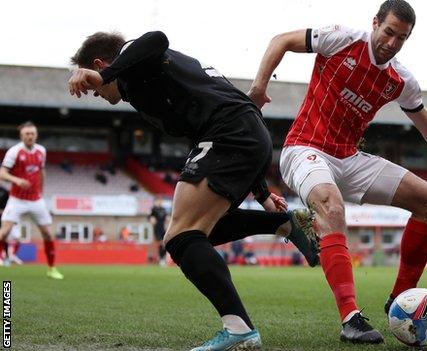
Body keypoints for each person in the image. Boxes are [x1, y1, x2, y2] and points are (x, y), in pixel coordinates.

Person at [249, 0, 427, 343]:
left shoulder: (401, 80)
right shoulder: (341, 39)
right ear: (375, 23)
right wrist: (259, 88)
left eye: (402, 38)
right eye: (389, 32)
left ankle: (401, 300)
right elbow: (281, 40)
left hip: (349, 159)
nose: (392, 43)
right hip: (304, 148)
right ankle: (351, 318)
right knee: (333, 208)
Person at [68, 30, 320, 351]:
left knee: (180, 237)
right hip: (243, 134)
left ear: (100, 64)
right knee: (197, 233)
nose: (95, 92)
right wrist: (262, 194)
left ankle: (239, 328)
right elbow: (216, 113)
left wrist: (103, 75)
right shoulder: (152, 83)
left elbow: (157, 38)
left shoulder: (136, 59)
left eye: (92, 86)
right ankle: (282, 223)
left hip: (230, 134)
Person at [0, 122, 63, 279]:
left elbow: (41, 172)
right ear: (22, 136)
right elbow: (2, 173)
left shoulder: (41, 151)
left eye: (32, 133)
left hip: (36, 200)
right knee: (4, 232)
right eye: (27, 134)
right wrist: (16, 180)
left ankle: (51, 269)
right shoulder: (14, 152)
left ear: (36, 135)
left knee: (48, 234)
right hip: (17, 199)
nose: (30, 136)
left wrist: (41, 192)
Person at [149, 196, 169, 266]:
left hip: (163, 228)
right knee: (160, 243)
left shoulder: (163, 209)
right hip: (157, 228)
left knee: (164, 244)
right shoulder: (153, 209)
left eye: (161, 201)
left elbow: (166, 217)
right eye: (158, 201)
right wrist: (151, 219)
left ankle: (162, 258)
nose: (160, 202)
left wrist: (168, 219)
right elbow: (150, 217)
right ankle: (161, 259)